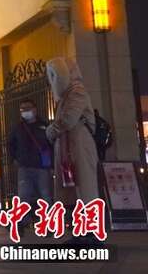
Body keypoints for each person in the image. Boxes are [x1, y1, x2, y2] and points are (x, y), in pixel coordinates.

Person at [45, 57, 99, 244]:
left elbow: (68, 119)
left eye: (55, 74)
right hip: (69, 147)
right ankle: (81, 232)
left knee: (85, 188)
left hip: (79, 145)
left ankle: (91, 234)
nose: (53, 79)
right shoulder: (66, 96)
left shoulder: (77, 91)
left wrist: (51, 130)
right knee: (74, 190)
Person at [7, 98, 53, 223]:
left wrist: (52, 164)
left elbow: (51, 145)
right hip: (24, 166)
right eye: (23, 109)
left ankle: (49, 221)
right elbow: (10, 144)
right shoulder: (18, 128)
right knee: (24, 195)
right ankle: (23, 221)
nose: (25, 111)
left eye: (28, 108)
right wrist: (14, 158)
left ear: (35, 109)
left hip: (42, 166)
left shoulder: (44, 126)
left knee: (45, 195)